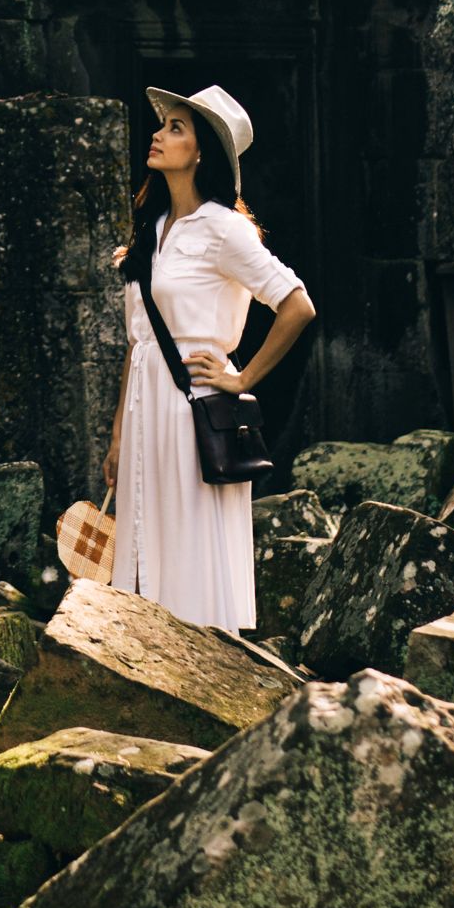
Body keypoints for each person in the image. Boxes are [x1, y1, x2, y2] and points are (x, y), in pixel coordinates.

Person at [102, 84, 315, 632]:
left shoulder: (225, 228)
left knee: (190, 545)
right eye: (163, 124)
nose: (158, 133)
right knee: (145, 546)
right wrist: (119, 435)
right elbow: (140, 340)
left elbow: (297, 306)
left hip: (193, 410)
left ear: (201, 154)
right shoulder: (150, 229)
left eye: (176, 127)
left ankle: (201, 670)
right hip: (145, 412)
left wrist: (242, 375)